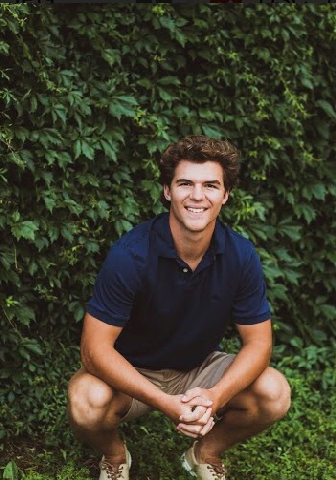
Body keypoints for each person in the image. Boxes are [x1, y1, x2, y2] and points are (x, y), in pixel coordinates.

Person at [67, 135, 291, 480]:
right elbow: (93, 349)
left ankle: (205, 453)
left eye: (211, 185)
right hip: (133, 371)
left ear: (225, 195)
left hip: (198, 368)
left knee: (274, 392)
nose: (197, 196)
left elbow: (259, 344)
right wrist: (165, 403)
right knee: (86, 401)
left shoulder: (240, 255)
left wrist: (215, 396)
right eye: (185, 183)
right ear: (167, 191)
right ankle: (114, 456)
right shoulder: (130, 255)